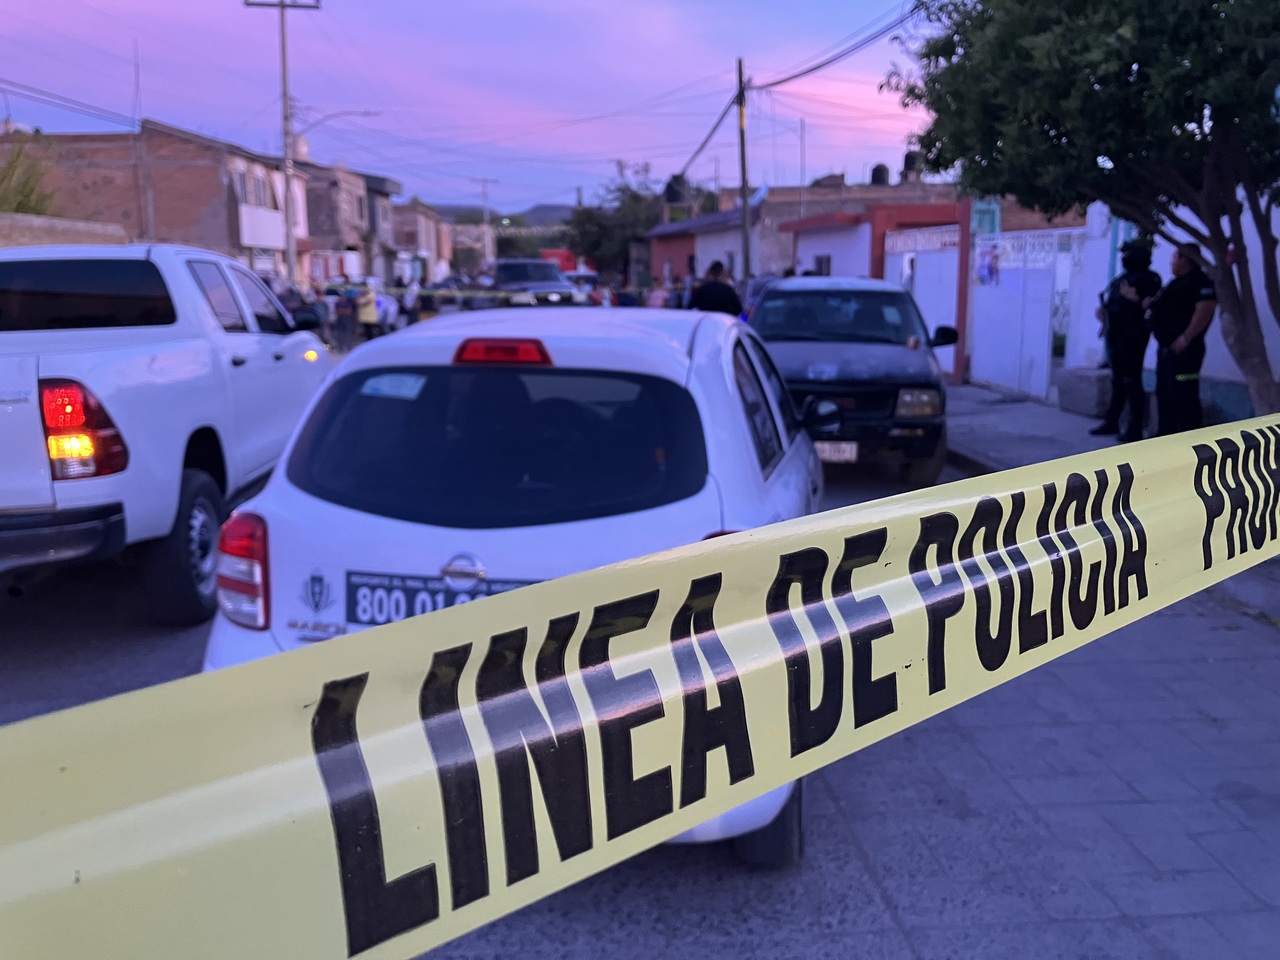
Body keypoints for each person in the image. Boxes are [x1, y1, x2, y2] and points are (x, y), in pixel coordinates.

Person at [1090, 239, 1162, 441]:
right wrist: (1103, 312)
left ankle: (1135, 426)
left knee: (1132, 380)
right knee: (1118, 380)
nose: (1124, 258)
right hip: (1115, 334)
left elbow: (1153, 308)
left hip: (1134, 335)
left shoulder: (1150, 278)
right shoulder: (1121, 279)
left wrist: (1135, 299)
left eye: (1128, 255)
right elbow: (1113, 302)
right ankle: (1112, 421)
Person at [1145, 243, 1218, 436]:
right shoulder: (1174, 283)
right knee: (1165, 395)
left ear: (1185, 260)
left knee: (1183, 397)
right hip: (1167, 349)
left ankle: (1190, 441)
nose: (1171, 262)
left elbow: (1205, 310)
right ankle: (1165, 439)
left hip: (1185, 351)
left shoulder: (1199, 282)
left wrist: (1186, 338)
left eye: (1174, 258)